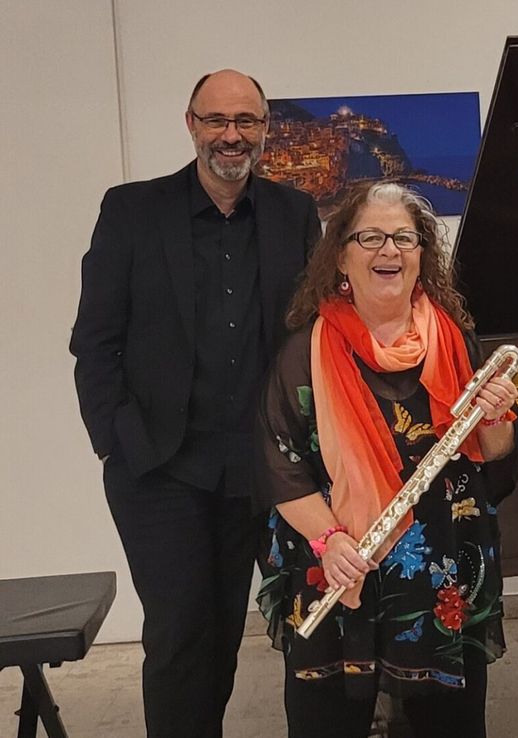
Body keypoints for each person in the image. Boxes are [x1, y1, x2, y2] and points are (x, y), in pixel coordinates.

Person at [70, 69, 321, 738]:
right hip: (159, 467)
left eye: (246, 121)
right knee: (180, 633)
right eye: (216, 120)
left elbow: (315, 336)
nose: (231, 135)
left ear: (265, 130)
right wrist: (116, 441)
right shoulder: (131, 211)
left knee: (246, 634)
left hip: (265, 471)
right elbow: (94, 342)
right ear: (191, 125)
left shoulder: (294, 214)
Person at [255, 180, 518, 738]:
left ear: (422, 255)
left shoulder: (456, 340)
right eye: (369, 237)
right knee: (331, 721)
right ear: (341, 257)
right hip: (339, 558)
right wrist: (331, 543)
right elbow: (279, 458)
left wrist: (496, 415)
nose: (388, 251)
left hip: (442, 561)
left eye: (403, 237)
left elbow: (491, 456)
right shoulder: (306, 349)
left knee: (447, 725)